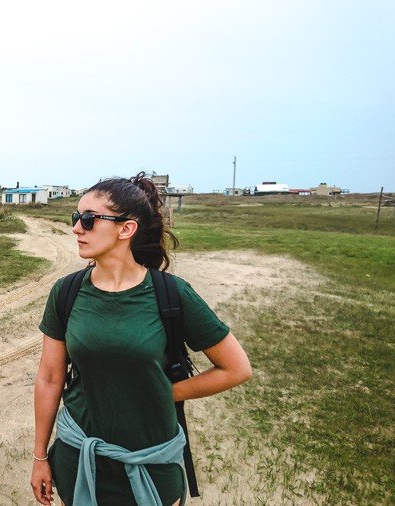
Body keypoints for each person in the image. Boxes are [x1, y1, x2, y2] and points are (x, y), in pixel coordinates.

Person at [30, 173, 252, 506]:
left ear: (126, 229)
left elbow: (236, 368)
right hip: (78, 455)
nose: (76, 228)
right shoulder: (67, 292)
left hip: (150, 463)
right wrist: (39, 457)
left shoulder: (172, 294)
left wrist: (166, 391)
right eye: (76, 218)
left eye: (88, 220)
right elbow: (49, 378)